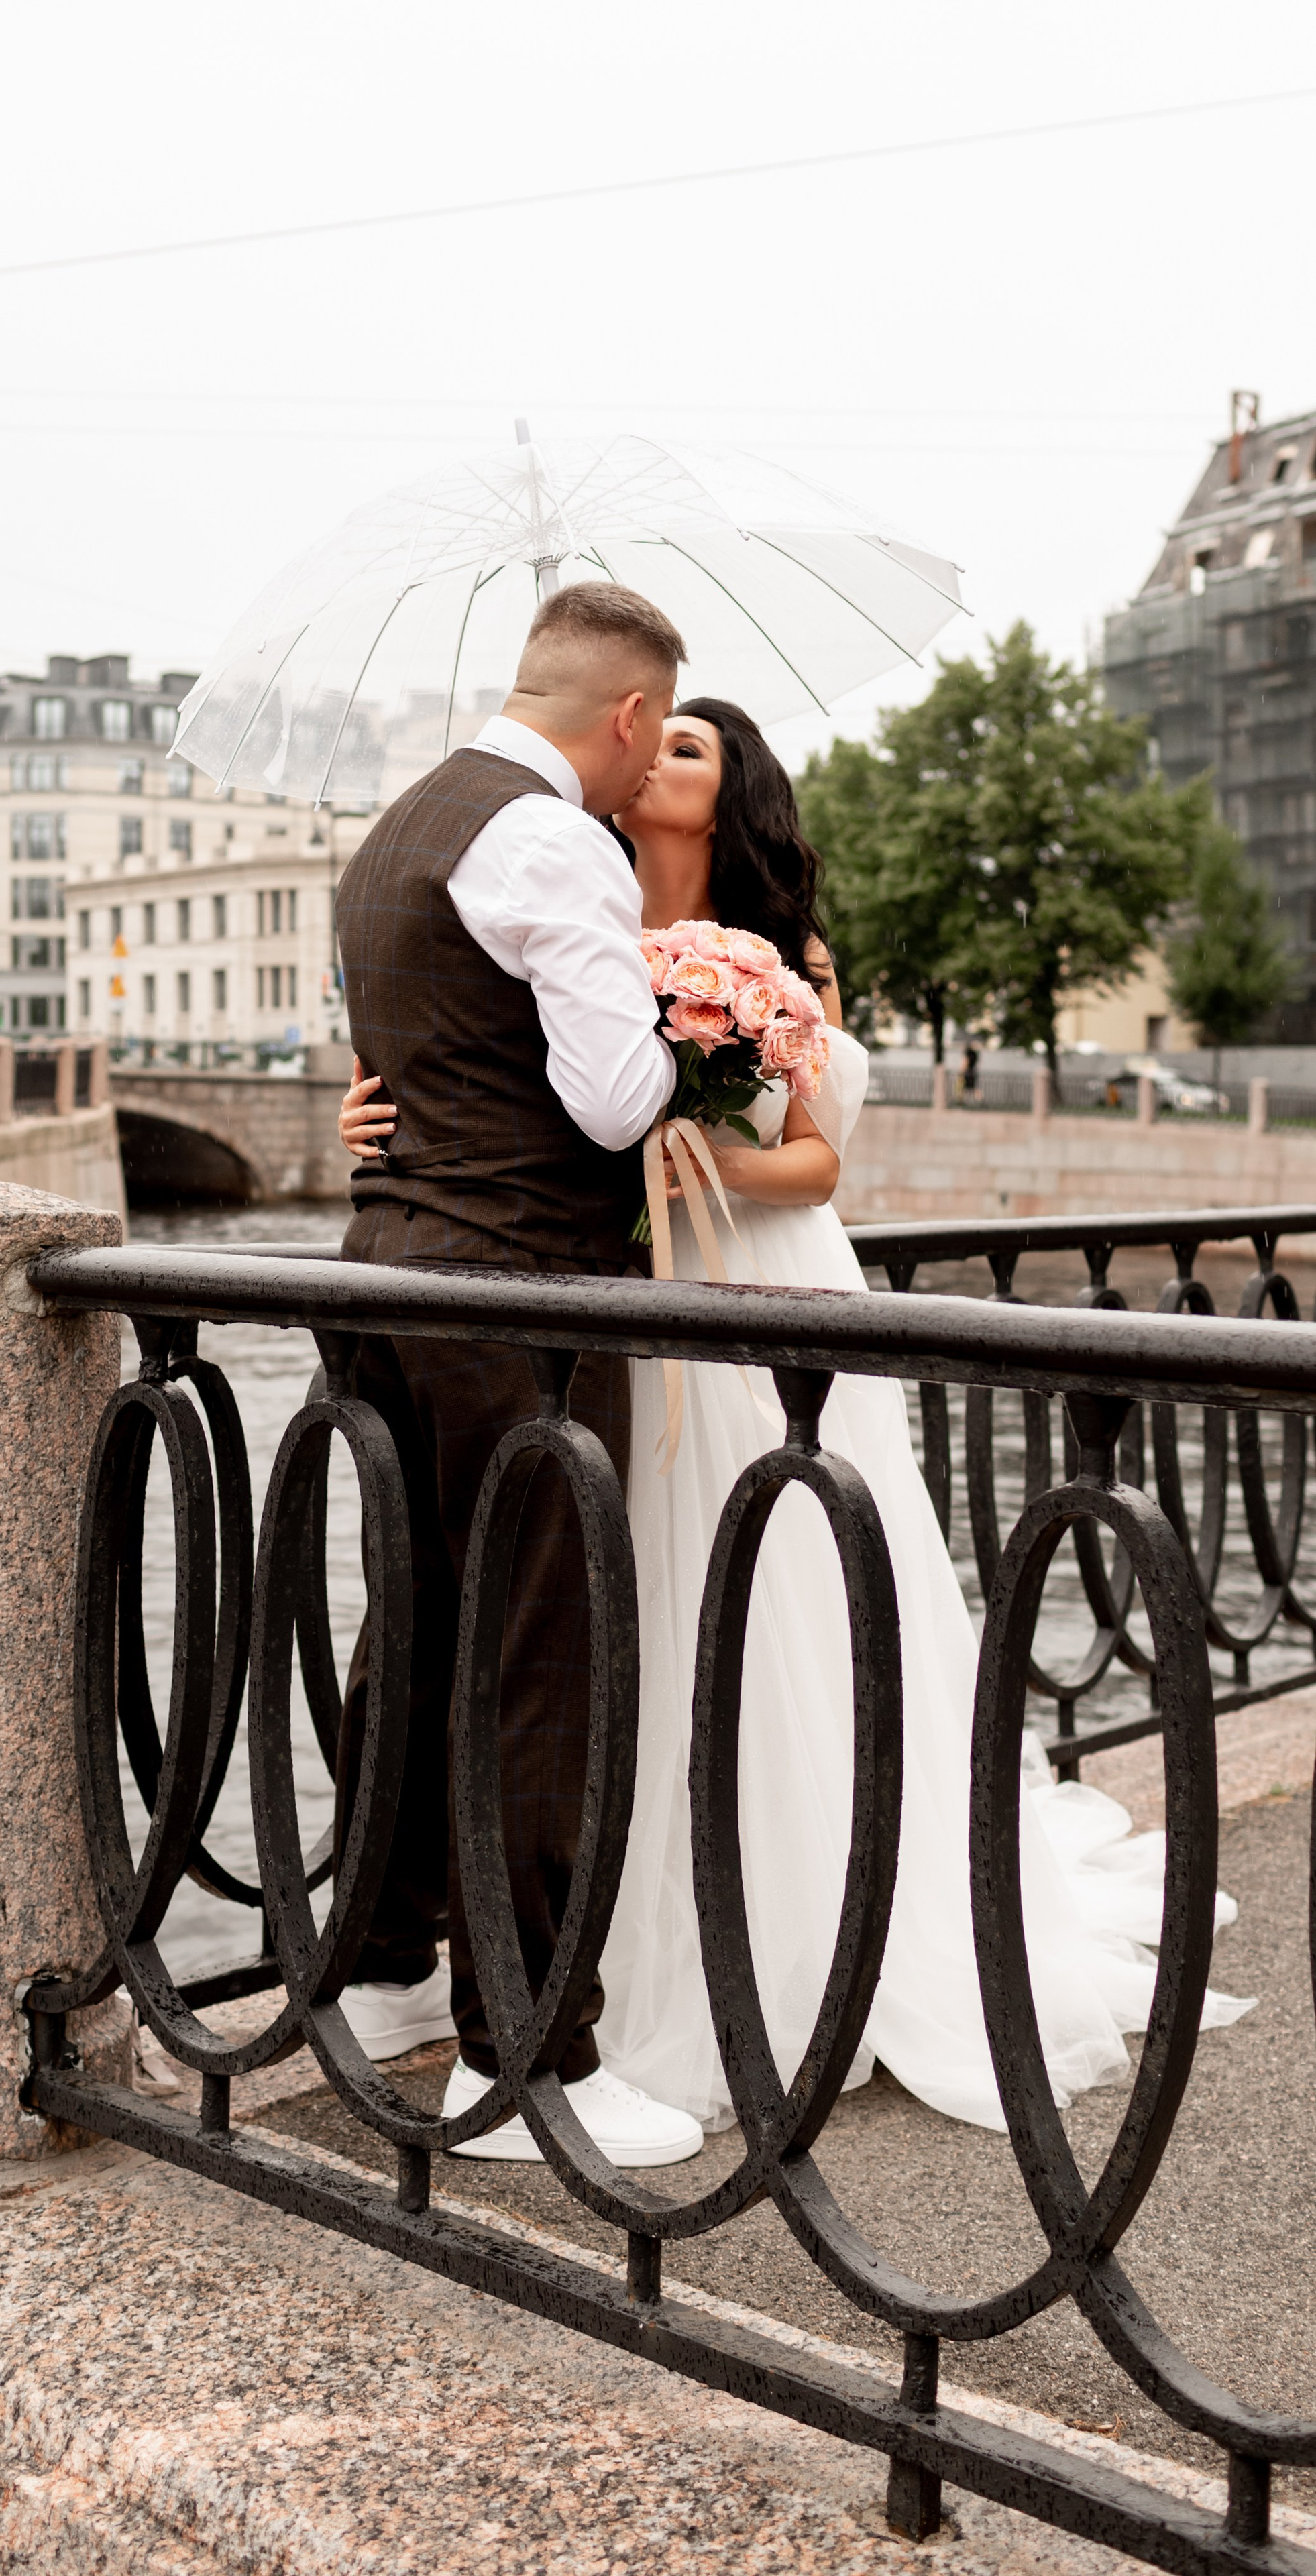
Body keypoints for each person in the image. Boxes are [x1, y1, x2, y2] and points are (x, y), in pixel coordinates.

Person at [341, 695, 1253, 2138]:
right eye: (660, 738)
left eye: (692, 751)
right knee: (590, 1605)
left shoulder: (776, 955)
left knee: (763, 1592)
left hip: (746, 1278)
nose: (659, 763)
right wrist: (374, 1114)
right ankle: (536, 1929)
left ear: (724, 794)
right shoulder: (544, 876)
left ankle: (774, 1922)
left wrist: (697, 1145)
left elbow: (816, 1161)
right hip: (599, 1282)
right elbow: (490, 1080)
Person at [330, 580, 705, 2168]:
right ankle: (528, 2055)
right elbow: (616, 1101)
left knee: (407, 1634)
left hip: (387, 1280)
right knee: (541, 1664)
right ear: (625, 715)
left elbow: (424, 1065)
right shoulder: (556, 838)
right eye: (649, 740)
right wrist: (702, 1030)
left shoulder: (395, 827)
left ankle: (382, 1968)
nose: (640, 777)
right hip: (517, 1297)